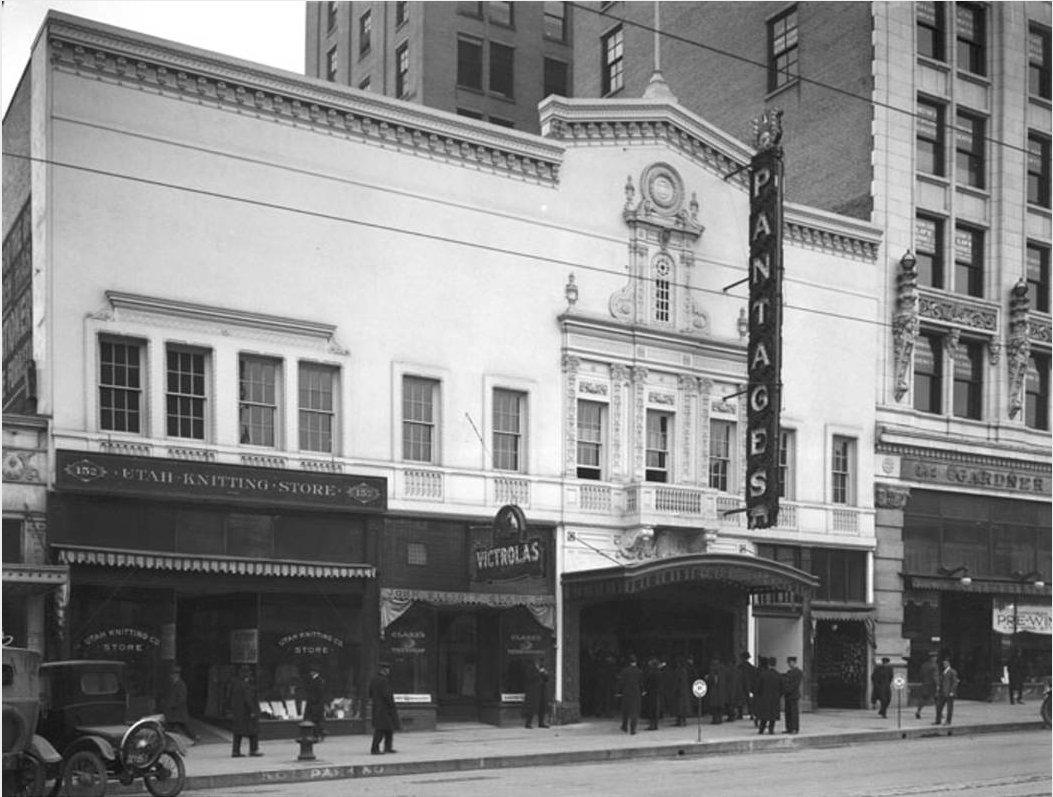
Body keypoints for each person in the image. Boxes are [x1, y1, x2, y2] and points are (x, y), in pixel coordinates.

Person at [230, 665, 262, 758]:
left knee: (238, 732)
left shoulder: (236, 684)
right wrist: (253, 711)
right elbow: (249, 699)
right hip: (247, 712)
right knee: (254, 730)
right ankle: (253, 750)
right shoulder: (247, 685)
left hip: (238, 712)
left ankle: (235, 751)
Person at [369, 661, 401, 754]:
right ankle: (375, 748)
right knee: (381, 729)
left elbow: (370, 692)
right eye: (387, 669)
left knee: (389, 728)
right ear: (384, 670)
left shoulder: (374, 679)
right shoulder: (384, 681)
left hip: (377, 707)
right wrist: (392, 705)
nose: (388, 671)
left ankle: (388, 747)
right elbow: (387, 695)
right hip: (385, 708)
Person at [161, 666, 197, 742]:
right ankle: (192, 738)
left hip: (178, 711)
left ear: (176, 675)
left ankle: (193, 738)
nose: (171, 677)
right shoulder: (173, 684)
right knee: (173, 726)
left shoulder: (181, 685)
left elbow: (182, 698)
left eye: (172, 675)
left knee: (183, 726)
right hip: (174, 712)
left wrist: (173, 705)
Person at [617, 654, 644, 735]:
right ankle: (633, 729)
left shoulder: (625, 671)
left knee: (625, 710)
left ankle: (624, 726)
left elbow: (621, 682)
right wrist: (642, 691)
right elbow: (641, 683)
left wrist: (619, 691)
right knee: (634, 711)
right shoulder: (639, 671)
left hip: (626, 692)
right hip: (636, 693)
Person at [754, 657, 781, 735]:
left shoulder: (763, 674)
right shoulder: (778, 675)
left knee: (764, 715)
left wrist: (759, 695)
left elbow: (758, 687)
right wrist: (778, 695)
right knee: (773, 715)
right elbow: (782, 688)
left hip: (764, 697)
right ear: (775, 665)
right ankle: (771, 729)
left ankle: (761, 729)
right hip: (775, 698)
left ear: (768, 664)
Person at [523, 658, 550, 729]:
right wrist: (539, 673)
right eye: (538, 661)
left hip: (542, 689)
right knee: (532, 706)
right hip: (533, 691)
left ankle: (541, 723)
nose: (540, 662)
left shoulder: (542, 667)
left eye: (541, 661)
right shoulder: (530, 667)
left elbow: (547, 679)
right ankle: (528, 723)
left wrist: (545, 673)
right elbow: (530, 677)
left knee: (542, 706)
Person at [304, 665, 327, 741]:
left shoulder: (319, 681)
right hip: (312, 703)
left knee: (316, 720)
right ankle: (317, 734)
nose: (310, 673)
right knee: (314, 720)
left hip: (316, 704)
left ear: (314, 672)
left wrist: (316, 702)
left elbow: (320, 694)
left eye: (311, 671)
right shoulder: (312, 680)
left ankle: (319, 734)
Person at [934, 658, 959, 726]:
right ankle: (938, 720)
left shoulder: (952, 671)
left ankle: (948, 721)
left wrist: (952, 691)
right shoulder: (943, 672)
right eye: (944, 663)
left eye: (946, 663)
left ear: (949, 664)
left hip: (949, 692)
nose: (944, 664)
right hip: (942, 692)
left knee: (949, 708)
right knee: (939, 706)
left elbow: (954, 682)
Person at [782, 656, 803, 734]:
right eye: (788, 662)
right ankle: (789, 727)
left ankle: (794, 728)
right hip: (787, 695)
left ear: (794, 662)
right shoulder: (788, 672)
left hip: (794, 695)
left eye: (790, 662)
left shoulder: (798, 672)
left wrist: (788, 690)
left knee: (794, 712)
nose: (789, 664)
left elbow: (796, 684)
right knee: (788, 712)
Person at [915, 651, 939, 720]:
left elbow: (921, 675)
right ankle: (939, 713)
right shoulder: (934, 666)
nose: (936, 658)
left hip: (925, 684)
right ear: (932, 658)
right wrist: (938, 685)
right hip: (932, 685)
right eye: (935, 657)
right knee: (937, 699)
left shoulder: (924, 665)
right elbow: (935, 676)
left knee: (923, 699)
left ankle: (918, 711)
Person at [671, 656, 693, 727]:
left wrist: (675, 689)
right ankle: (683, 720)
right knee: (683, 706)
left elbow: (677, 681)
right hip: (684, 690)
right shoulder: (684, 670)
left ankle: (680, 721)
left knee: (679, 707)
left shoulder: (679, 671)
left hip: (680, 691)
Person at [736, 652, 757, 723]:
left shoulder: (739, 667)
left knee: (740, 700)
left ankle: (740, 714)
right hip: (750, 686)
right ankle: (751, 714)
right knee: (750, 701)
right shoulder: (752, 667)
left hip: (741, 685)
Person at [644, 658, 664, 730]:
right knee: (656, 708)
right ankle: (655, 725)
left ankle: (651, 725)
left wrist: (645, 690)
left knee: (651, 708)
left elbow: (647, 683)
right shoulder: (660, 673)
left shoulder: (650, 673)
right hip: (658, 692)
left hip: (651, 692)